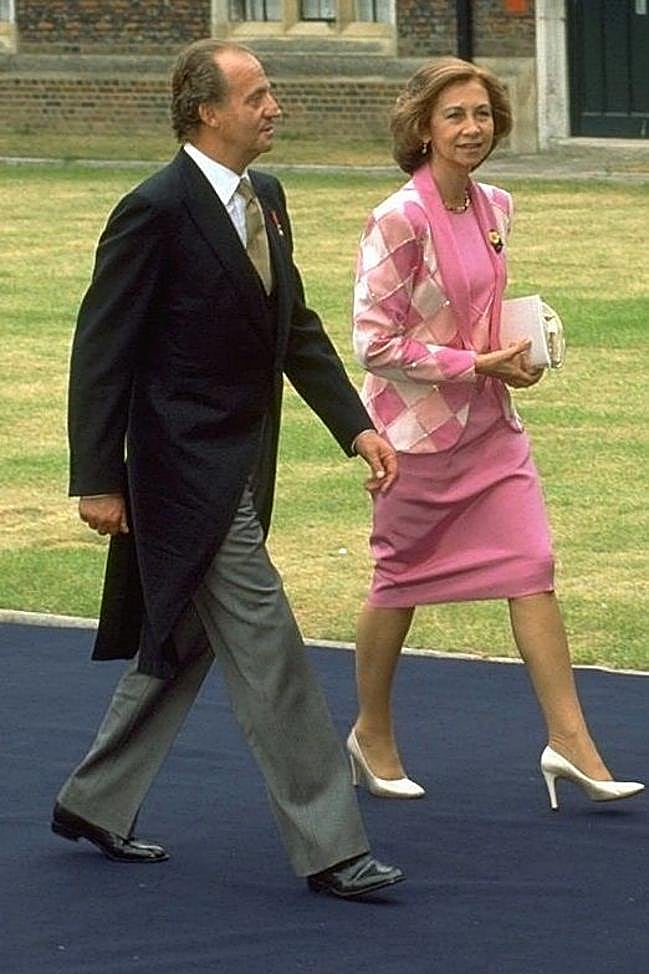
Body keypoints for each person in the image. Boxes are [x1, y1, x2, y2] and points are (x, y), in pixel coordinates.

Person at [51, 38, 405, 900]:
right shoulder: (154, 209)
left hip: (246, 466)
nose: (274, 106)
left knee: (182, 640)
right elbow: (102, 352)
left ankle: (93, 801)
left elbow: (293, 329)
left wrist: (355, 428)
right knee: (270, 648)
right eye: (258, 95)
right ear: (209, 112)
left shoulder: (268, 199)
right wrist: (99, 479)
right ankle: (331, 847)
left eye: (270, 93)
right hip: (179, 477)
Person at [347, 57, 644, 809]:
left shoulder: (497, 207)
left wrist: (516, 358)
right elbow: (372, 342)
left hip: (490, 429)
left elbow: (479, 311)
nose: (471, 128)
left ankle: (569, 743)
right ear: (422, 128)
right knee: (398, 584)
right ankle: (370, 733)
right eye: (454, 115)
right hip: (411, 438)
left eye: (481, 113)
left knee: (531, 565)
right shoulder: (397, 218)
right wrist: (473, 360)